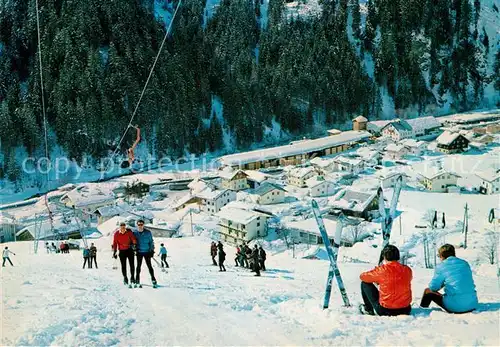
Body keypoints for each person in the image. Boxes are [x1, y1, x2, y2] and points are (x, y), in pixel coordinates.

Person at [420, 244, 478, 313]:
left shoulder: (442, 266)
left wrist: (442, 284)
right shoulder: (464, 263)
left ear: (441, 255)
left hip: (455, 307)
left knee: (427, 291)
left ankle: (422, 311)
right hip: (472, 304)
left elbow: (433, 287)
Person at [359, 245, 412, 316]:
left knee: (365, 283)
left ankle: (368, 309)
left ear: (384, 257)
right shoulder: (407, 270)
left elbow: (362, 277)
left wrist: (376, 272)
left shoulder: (382, 270)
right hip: (405, 309)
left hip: (386, 310)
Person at [133, 220, 157, 287]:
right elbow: (132, 242)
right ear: (137, 225)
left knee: (149, 266)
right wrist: (134, 248)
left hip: (147, 252)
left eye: (141, 224)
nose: (140, 226)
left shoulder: (148, 232)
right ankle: (137, 279)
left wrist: (151, 250)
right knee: (138, 266)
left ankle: (153, 279)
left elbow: (151, 242)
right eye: (139, 224)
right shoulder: (135, 233)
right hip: (139, 252)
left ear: (143, 225)